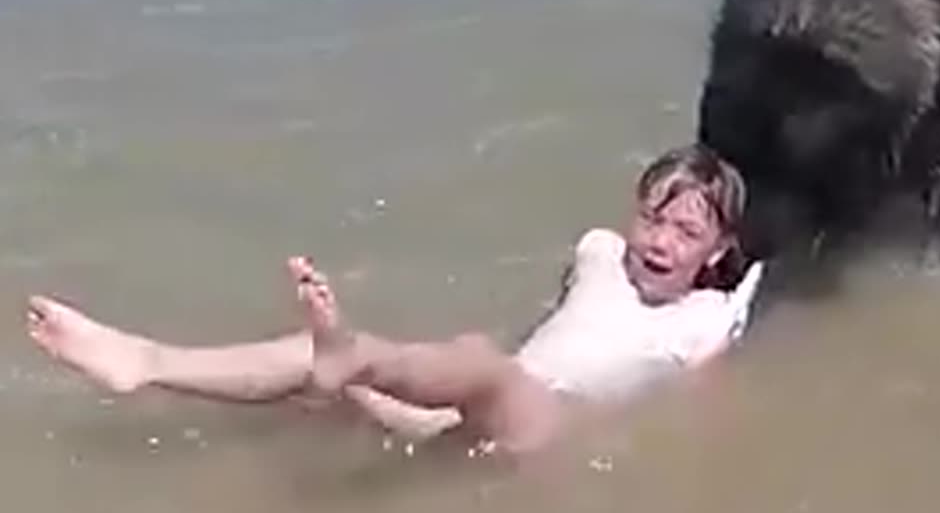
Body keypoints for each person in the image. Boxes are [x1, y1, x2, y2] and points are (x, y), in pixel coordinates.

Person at [25, 144, 765, 454]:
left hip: (549, 434)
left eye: (686, 230)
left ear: (719, 252)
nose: (661, 239)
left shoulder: (702, 321)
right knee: (321, 363)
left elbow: (697, 421)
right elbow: (556, 325)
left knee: (488, 368)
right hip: (474, 409)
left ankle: (353, 361)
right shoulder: (598, 252)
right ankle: (147, 362)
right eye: (653, 216)